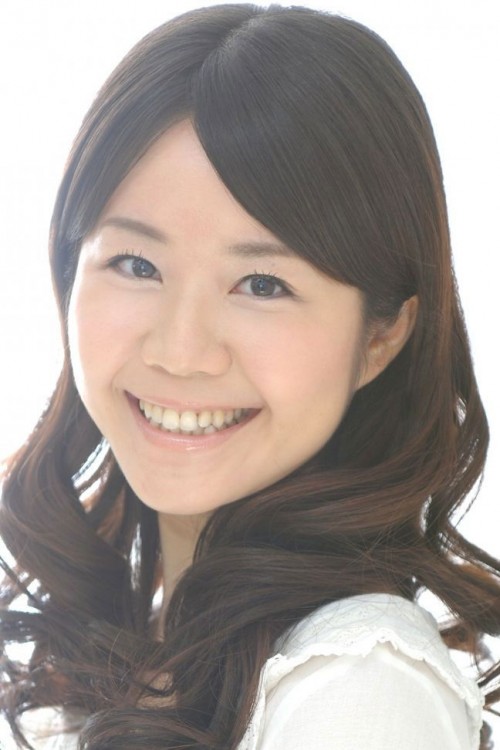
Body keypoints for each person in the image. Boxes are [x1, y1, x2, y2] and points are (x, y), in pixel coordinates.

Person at [1, 4, 499, 748]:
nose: (180, 351)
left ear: (382, 335)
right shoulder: (133, 649)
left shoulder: (356, 689)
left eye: (263, 284)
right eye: (136, 264)